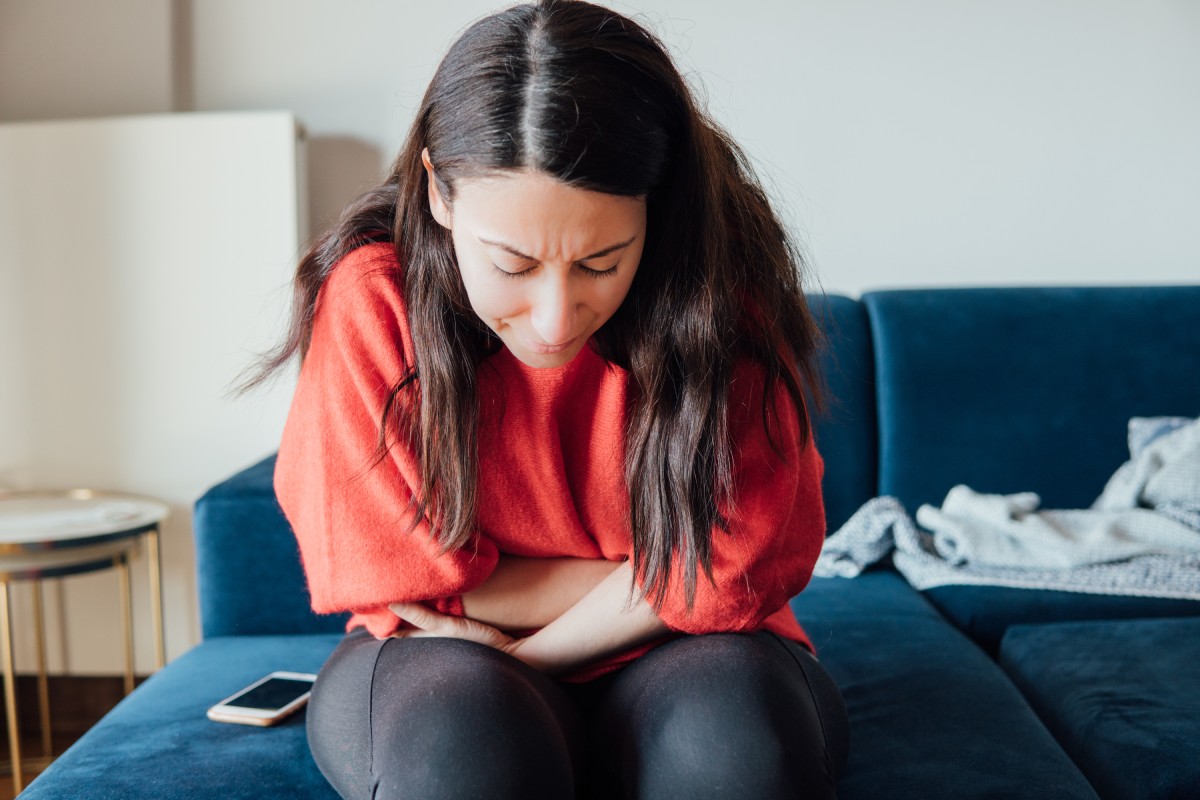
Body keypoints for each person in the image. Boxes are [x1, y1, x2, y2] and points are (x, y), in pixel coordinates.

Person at [254, 1, 849, 797]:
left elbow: (749, 558)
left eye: (602, 263)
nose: (553, 318)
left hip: (691, 654)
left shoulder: (718, 287)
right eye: (512, 263)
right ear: (440, 194)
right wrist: (655, 573)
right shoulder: (374, 297)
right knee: (463, 755)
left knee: (736, 752)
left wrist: (527, 647)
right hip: (447, 657)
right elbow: (395, 577)